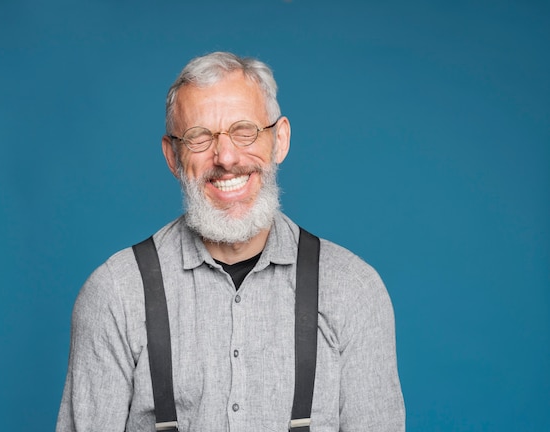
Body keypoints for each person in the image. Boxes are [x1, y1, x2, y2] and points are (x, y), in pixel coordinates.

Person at [56, 51, 405, 432]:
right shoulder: (116, 294)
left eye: (245, 131)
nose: (225, 156)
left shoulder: (353, 290)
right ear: (173, 157)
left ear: (280, 140)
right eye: (199, 137)